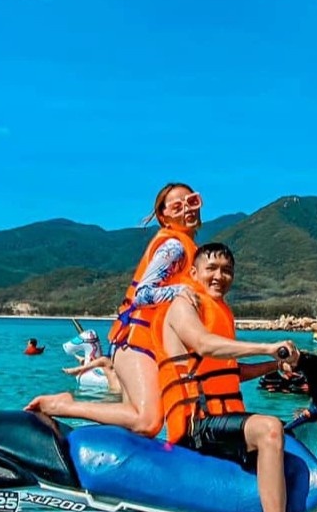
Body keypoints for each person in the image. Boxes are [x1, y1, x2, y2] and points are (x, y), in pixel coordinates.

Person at [26, 182, 202, 434]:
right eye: (177, 206)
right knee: (148, 421)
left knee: (135, 420)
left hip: (145, 343)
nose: (187, 209)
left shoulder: (190, 249)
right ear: (164, 216)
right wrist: (182, 291)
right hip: (137, 342)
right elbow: (143, 294)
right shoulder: (174, 247)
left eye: (192, 201)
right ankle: (64, 405)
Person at [155, 243, 300, 512]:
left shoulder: (221, 311)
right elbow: (203, 344)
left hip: (221, 420)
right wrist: (266, 347)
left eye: (227, 271)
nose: (220, 276)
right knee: (270, 429)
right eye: (212, 269)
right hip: (197, 424)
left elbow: (231, 373)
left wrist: (275, 365)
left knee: (296, 433)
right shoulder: (184, 305)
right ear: (194, 272)